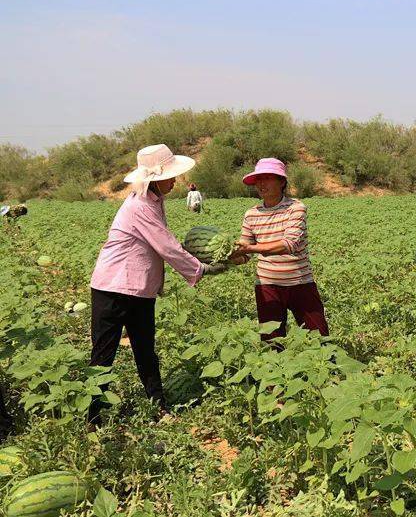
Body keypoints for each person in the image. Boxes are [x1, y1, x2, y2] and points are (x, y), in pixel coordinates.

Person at [88, 144, 227, 425]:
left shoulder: (154, 200)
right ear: (154, 177)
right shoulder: (139, 205)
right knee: (103, 355)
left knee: (146, 350)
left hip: (139, 289)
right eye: (171, 176)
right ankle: (93, 418)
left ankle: (158, 406)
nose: (175, 181)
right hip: (113, 287)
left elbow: (161, 245)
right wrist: (204, 269)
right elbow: (168, 247)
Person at [232, 158, 328, 342]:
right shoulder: (251, 214)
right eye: (258, 179)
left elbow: (288, 244)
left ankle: (330, 370)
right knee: (271, 341)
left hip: (300, 282)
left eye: (267, 178)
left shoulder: (296, 208)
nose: (261, 183)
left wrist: (250, 248)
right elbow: (245, 254)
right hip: (267, 285)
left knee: (320, 338)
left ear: (282, 181)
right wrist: (232, 256)